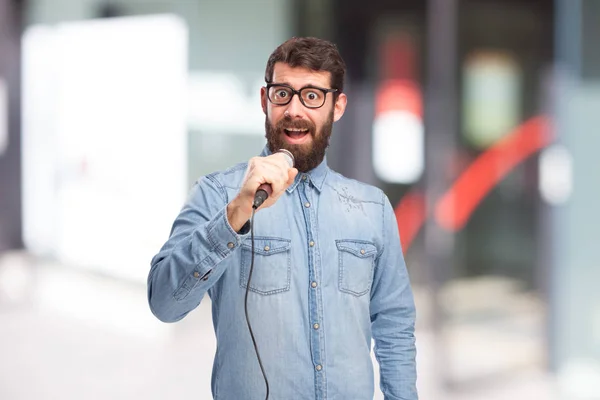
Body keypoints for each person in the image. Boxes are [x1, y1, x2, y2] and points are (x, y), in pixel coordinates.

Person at [148, 36, 417, 400]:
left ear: (336, 107)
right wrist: (234, 216)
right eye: (283, 94)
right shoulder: (217, 194)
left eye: (312, 96)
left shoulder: (373, 208)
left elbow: (395, 327)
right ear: (265, 100)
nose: (295, 110)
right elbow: (164, 303)